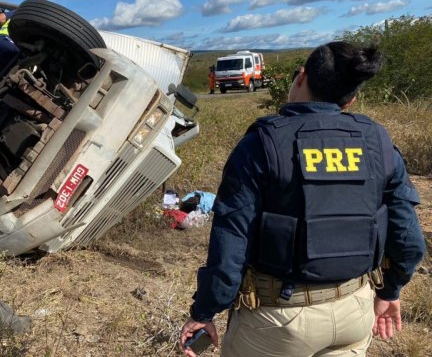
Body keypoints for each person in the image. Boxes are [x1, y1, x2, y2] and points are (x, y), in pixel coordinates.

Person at [179, 41, 426, 357]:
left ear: (300, 77)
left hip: (277, 323)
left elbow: (231, 246)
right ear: (351, 99)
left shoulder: (261, 145)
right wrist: (390, 291)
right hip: (355, 310)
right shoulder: (378, 142)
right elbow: (409, 241)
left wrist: (204, 312)